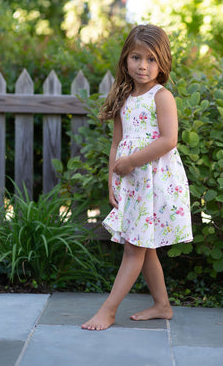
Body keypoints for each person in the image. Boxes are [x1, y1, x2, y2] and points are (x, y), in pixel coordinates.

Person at [82, 24, 193, 331]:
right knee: (145, 246)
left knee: (135, 248)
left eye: (151, 59)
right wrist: (111, 180)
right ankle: (162, 306)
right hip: (132, 182)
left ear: (163, 63)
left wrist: (130, 162)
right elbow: (117, 143)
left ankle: (108, 310)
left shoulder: (162, 96)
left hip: (156, 182)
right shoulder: (124, 97)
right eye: (136, 57)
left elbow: (169, 140)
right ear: (125, 60)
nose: (143, 65)